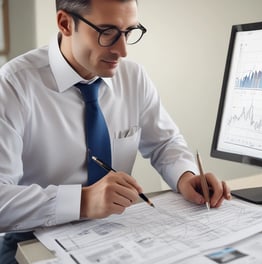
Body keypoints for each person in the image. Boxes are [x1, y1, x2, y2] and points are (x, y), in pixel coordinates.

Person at [0, 0, 231, 262]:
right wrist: (83, 201)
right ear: (65, 23)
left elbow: (164, 144)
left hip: (119, 234)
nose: (122, 51)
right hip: (33, 241)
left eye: (129, 32)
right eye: (107, 32)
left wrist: (185, 176)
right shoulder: (12, 86)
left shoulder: (133, 77)